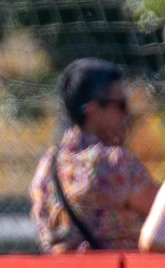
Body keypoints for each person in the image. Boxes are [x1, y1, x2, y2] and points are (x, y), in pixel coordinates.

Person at [31, 57, 159, 252]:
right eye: (121, 105)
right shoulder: (115, 163)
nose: (127, 114)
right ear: (93, 111)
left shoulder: (47, 166)